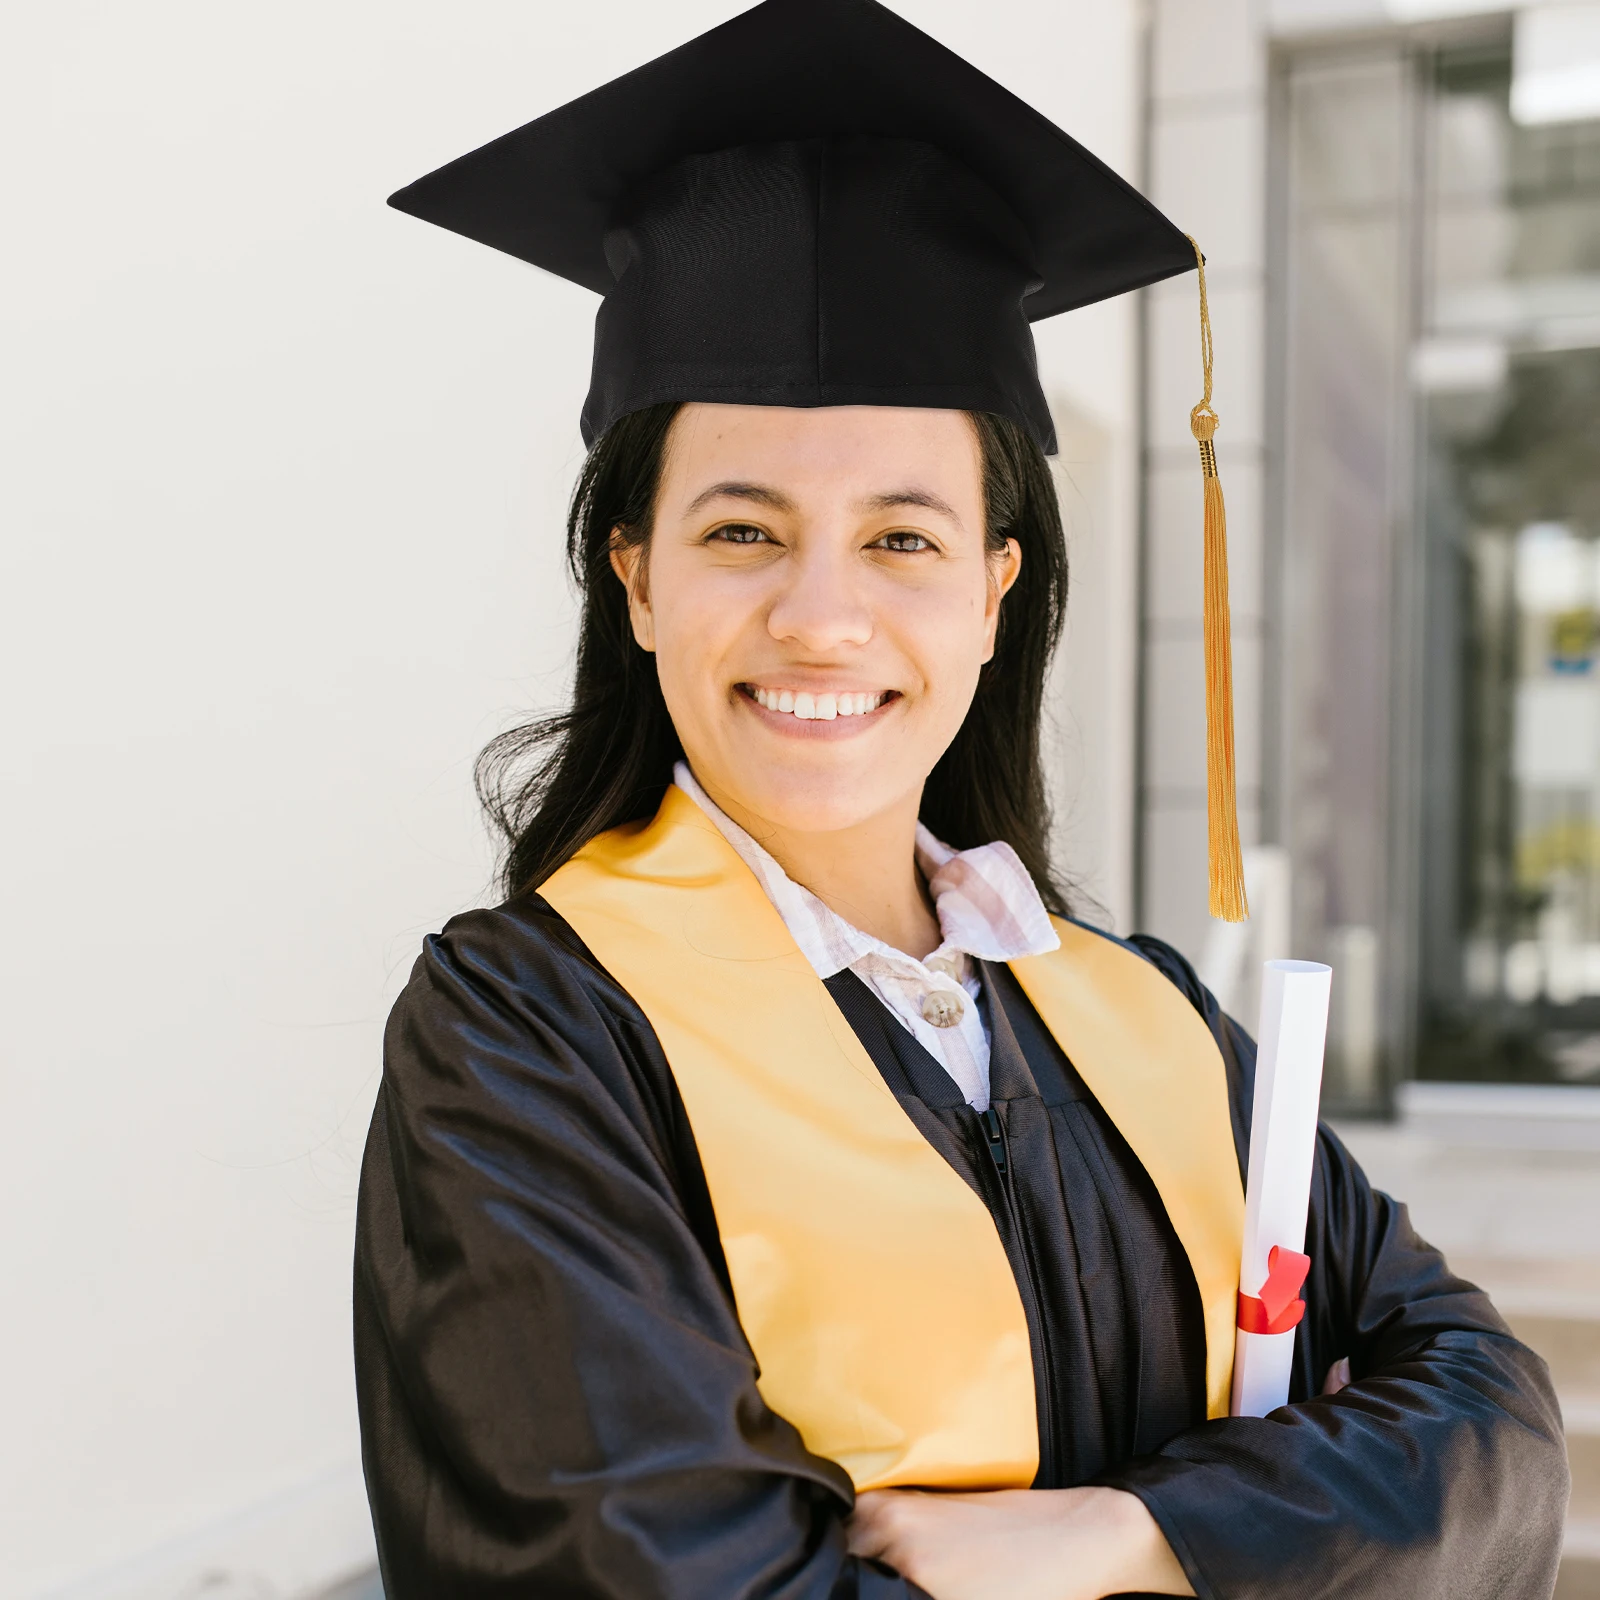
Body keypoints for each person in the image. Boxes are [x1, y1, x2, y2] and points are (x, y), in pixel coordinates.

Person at [354, 2, 1570, 1596]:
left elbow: (1494, 1428)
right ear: (634, 577)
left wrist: (1125, 1532)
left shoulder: (1147, 1023)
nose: (822, 615)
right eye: (739, 531)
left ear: (994, 597)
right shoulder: (525, 1040)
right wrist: (1287, 1530)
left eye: (905, 539)